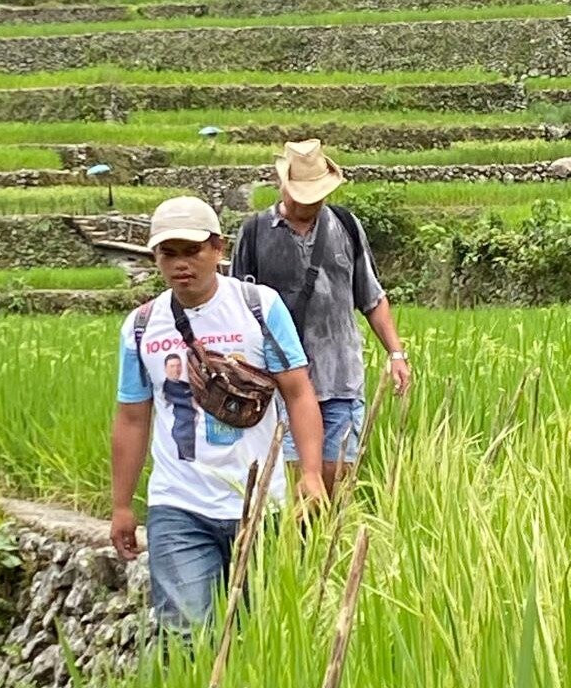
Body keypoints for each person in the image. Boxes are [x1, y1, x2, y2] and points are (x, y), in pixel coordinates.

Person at [110, 195, 325, 631]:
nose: (180, 265)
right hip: (178, 503)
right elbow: (132, 418)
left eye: (192, 251)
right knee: (184, 635)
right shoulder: (141, 325)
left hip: (261, 503)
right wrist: (121, 505)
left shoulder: (259, 308)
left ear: (218, 249)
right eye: (168, 254)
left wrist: (312, 473)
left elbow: (299, 393)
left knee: (261, 634)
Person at [231, 139, 411, 497]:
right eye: (302, 194)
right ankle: (292, 553)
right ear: (282, 185)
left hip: (341, 377)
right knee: (293, 487)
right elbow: (236, 308)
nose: (309, 202)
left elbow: (371, 297)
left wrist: (396, 353)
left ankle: (329, 551)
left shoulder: (345, 226)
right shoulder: (254, 234)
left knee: (337, 481)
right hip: (281, 384)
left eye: (316, 195)